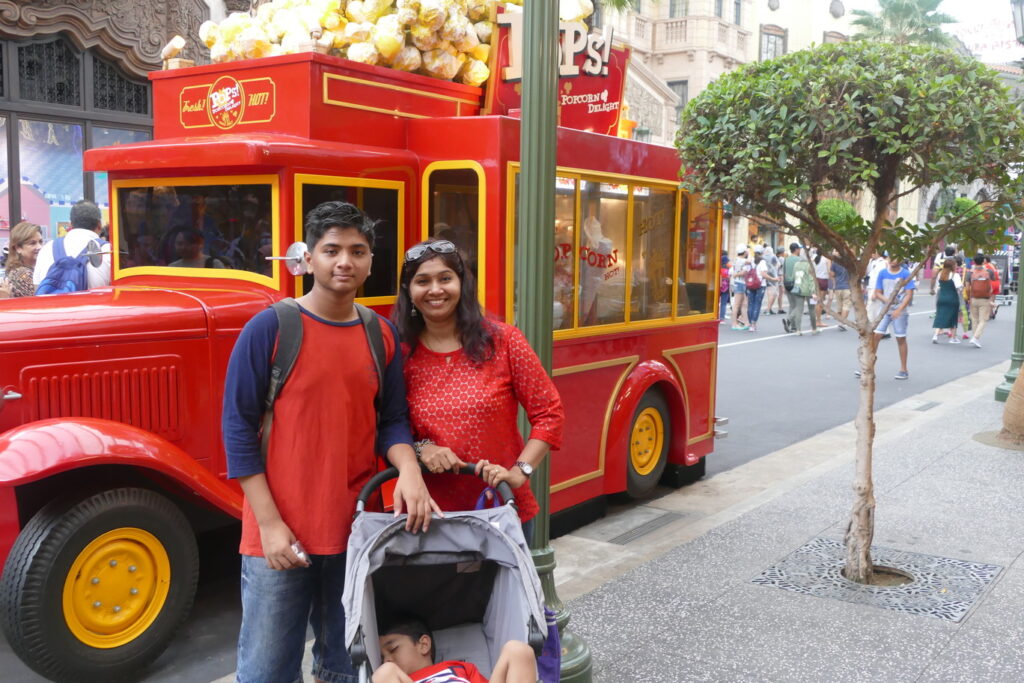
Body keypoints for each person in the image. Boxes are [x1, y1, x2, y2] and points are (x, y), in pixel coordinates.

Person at [222, 201, 437, 683]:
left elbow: (393, 422)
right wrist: (271, 525)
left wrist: (409, 468)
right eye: (332, 250)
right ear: (309, 258)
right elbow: (237, 431)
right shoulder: (271, 328)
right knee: (265, 672)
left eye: (357, 251)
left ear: (370, 261)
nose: (345, 261)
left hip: (355, 530)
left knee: (346, 668)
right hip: (280, 537)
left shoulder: (379, 334)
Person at [393, 238, 564, 539]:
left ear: (463, 283)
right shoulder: (399, 353)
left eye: (445, 278)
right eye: (423, 281)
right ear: (409, 291)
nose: (435, 290)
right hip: (428, 516)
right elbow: (391, 425)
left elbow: (549, 413)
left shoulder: (503, 341)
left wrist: (520, 472)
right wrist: (422, 449)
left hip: (499, 509)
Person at [374, 617, 536, 683]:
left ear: (423, 645)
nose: (387, 659)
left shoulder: (458, 667)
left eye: (393, 649)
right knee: (384, 673)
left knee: (517, 650)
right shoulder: (395, 676)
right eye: (382, 657)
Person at [32, 200, 111, 289]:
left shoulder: (47, 248)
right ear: (99, 225)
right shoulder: (108, 252)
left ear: (71, 225)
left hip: (54, 303)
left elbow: (37, 289)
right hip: (95, 302)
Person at [861, 255, 916, 380]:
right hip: (884, 310)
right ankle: (869, 366)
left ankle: (903, 369)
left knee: (900, 338)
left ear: (901, 260)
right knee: (876, 336)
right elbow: (877, 292)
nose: (892, 261)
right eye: (891, 257)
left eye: (896, 258)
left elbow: (908, 294)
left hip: (900, 312)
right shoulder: (883, 273)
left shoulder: (906, 274)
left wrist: (899, 309)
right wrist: (888, 301)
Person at [0, 222, 44, 298]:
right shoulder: (24, 275)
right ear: (18, 248)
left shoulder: (21, 270)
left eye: (40, 242)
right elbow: (42, 302)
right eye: (32, 243)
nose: (39, 247)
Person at [783, 243, 813, 335]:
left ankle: (793, 327)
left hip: (787, 283)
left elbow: (784, 273)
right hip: (797, 284)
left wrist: (784, 285)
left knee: (792, 305)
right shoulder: (800, 260)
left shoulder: (786, 260)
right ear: (796, 249)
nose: (800, 250)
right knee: (799, 306)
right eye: (799, 249)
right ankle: (790, 321)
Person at [964, 253, 993, 348]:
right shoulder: (989, 272)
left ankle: (975, 338)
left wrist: (968, 298)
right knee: (983, 320)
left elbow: (967, 288)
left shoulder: (969, 273)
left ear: (974, 261)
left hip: (973, 298)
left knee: (974, 319)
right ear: (983, 261)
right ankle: (976, 338)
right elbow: (991, 287)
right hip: (985, 298)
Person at [931, 258, 962, 344]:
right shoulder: (955, 275)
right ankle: (953, 337)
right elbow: (959, 287)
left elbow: (938, 287)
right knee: (953, 317)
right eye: (955, 264)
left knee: (940, 316)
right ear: (952, 266)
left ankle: (935, 335)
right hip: (952, 298)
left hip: (941, 298)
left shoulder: (940, 274)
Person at [745, 245, 769, 332]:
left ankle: (750, 323)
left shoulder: (750, 261)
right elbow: (763, 274)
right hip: (760, 284)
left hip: (750, 284)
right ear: (762, 252)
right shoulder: (762, 262)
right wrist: (774, 279)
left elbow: (746, 271)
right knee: (757, 304)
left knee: (750, 303)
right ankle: (753, 324)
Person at [729, 244, 751, 330]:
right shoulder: (741, 260)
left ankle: (746, 322)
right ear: (744, 252)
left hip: (739, 283)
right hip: (739, 283)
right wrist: (749, 253)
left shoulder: (737, 259)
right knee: (737, 304)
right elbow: (749, 263)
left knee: (744, 303)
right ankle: (734, 324)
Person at [829, 252, 852, 331]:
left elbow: (831, 274)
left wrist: (834, 283)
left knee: (839, 307)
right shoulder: (849, 262)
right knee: (846, 306)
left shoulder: (835, 262)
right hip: (847, 287)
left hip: (838, 286)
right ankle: (842, 323)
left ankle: (841, 322)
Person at [812, 247, 832, 330]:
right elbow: (829, 271)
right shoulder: (826, 259)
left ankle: (815, 319)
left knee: (815, 300)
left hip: (815, 279)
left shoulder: (813, 258)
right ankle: (818, 321)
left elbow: (810, 270)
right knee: (820, 301)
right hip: (823, 280)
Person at [762, 245, 783, 315]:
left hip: (765, 275)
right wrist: (774, 268)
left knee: (769, 293)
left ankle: (769, 308)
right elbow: (778, 264)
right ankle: (768, 309)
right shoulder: (773, 256)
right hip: (773, 276)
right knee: (773, 293)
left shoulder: (763, 257)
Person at [719, 255, 731, 324]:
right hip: (726, 288)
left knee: (717, 303)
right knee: (723, 304)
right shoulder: (728, 269)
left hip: (718, 287)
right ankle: (722, 318)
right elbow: (729, 278)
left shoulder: (718, 268)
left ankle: (716, 316)